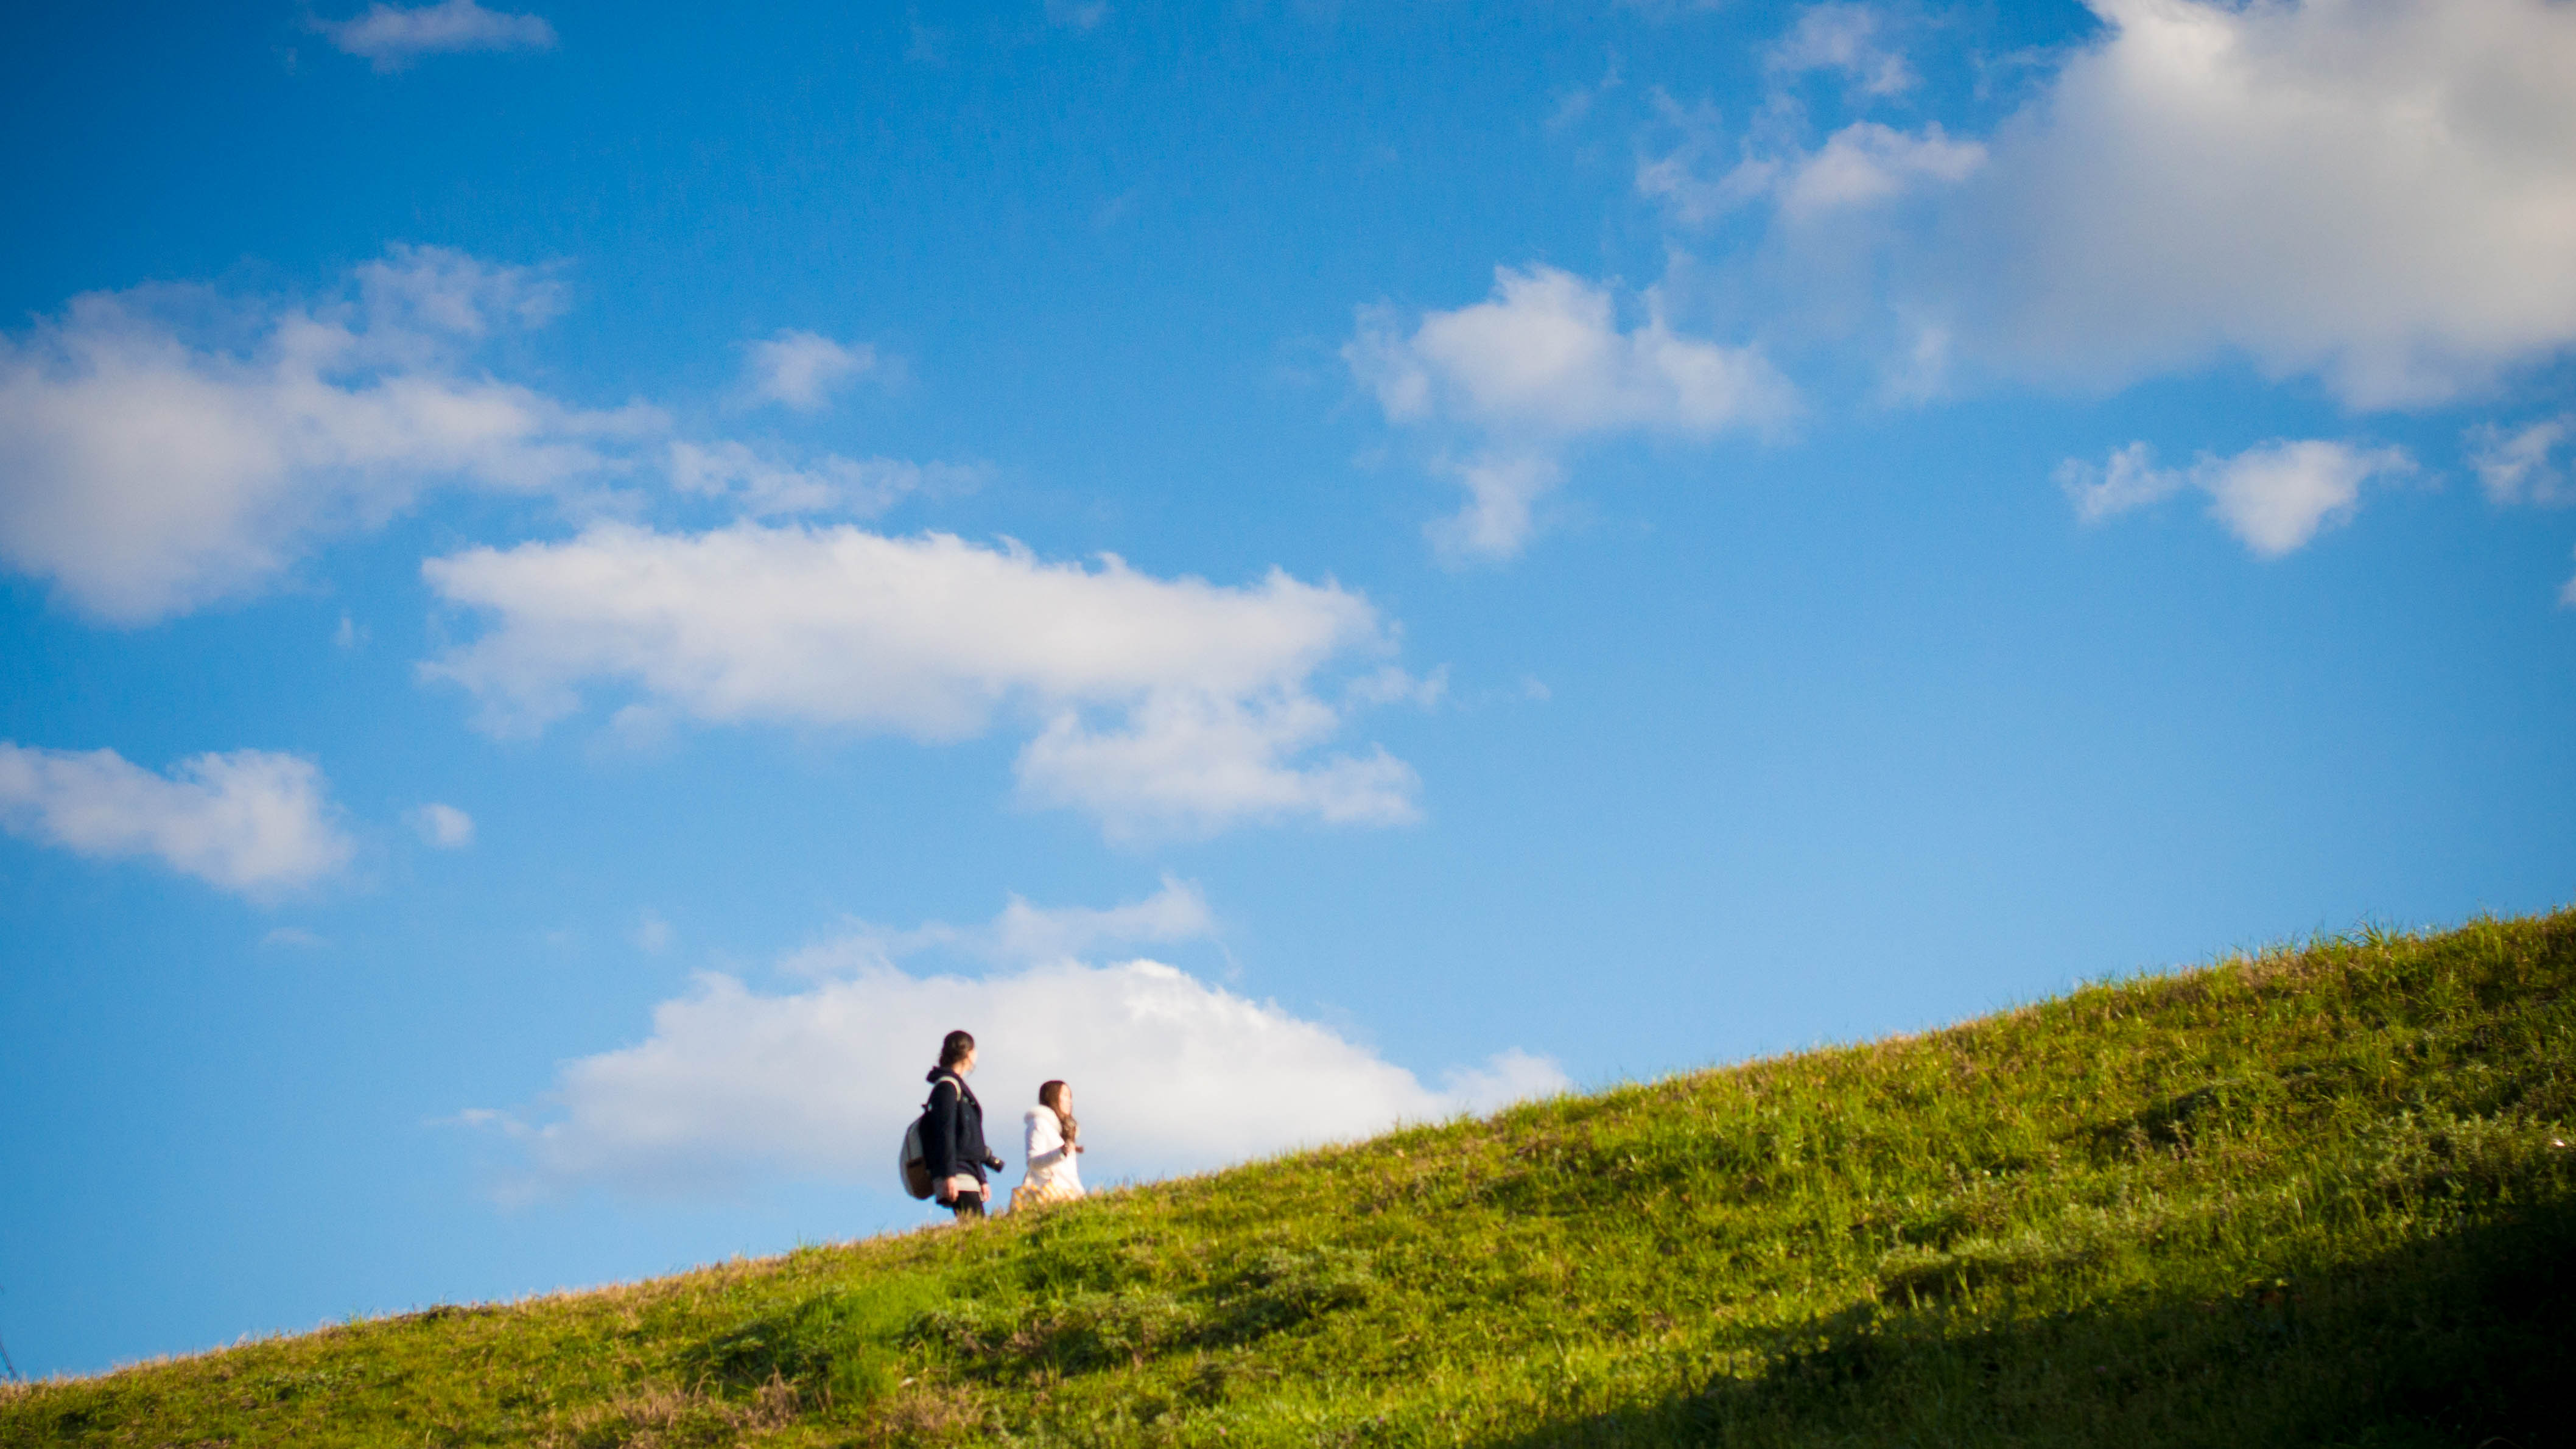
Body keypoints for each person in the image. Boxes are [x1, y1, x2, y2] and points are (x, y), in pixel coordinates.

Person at [921, 1029, 1002, 1220]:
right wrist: (950, 1176)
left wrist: (982, 1179)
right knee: (978, 1230)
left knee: (977, 1228)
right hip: (958, 1173)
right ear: (968, 1054)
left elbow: (969, 1141)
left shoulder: (956, 1088)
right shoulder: (947, 1087)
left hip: (967, 1173)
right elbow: (946, 1133)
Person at [1011, 1079, 1086, 1213]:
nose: (1070, 1101)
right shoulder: (1039, 1123)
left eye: (1071, 1097)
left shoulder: (1064, 1131)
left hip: (1070, 1194)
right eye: (1065, 1095)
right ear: (1053, 1097)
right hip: (1047, 1194)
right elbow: (1033, 1162)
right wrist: (1060, 1153)